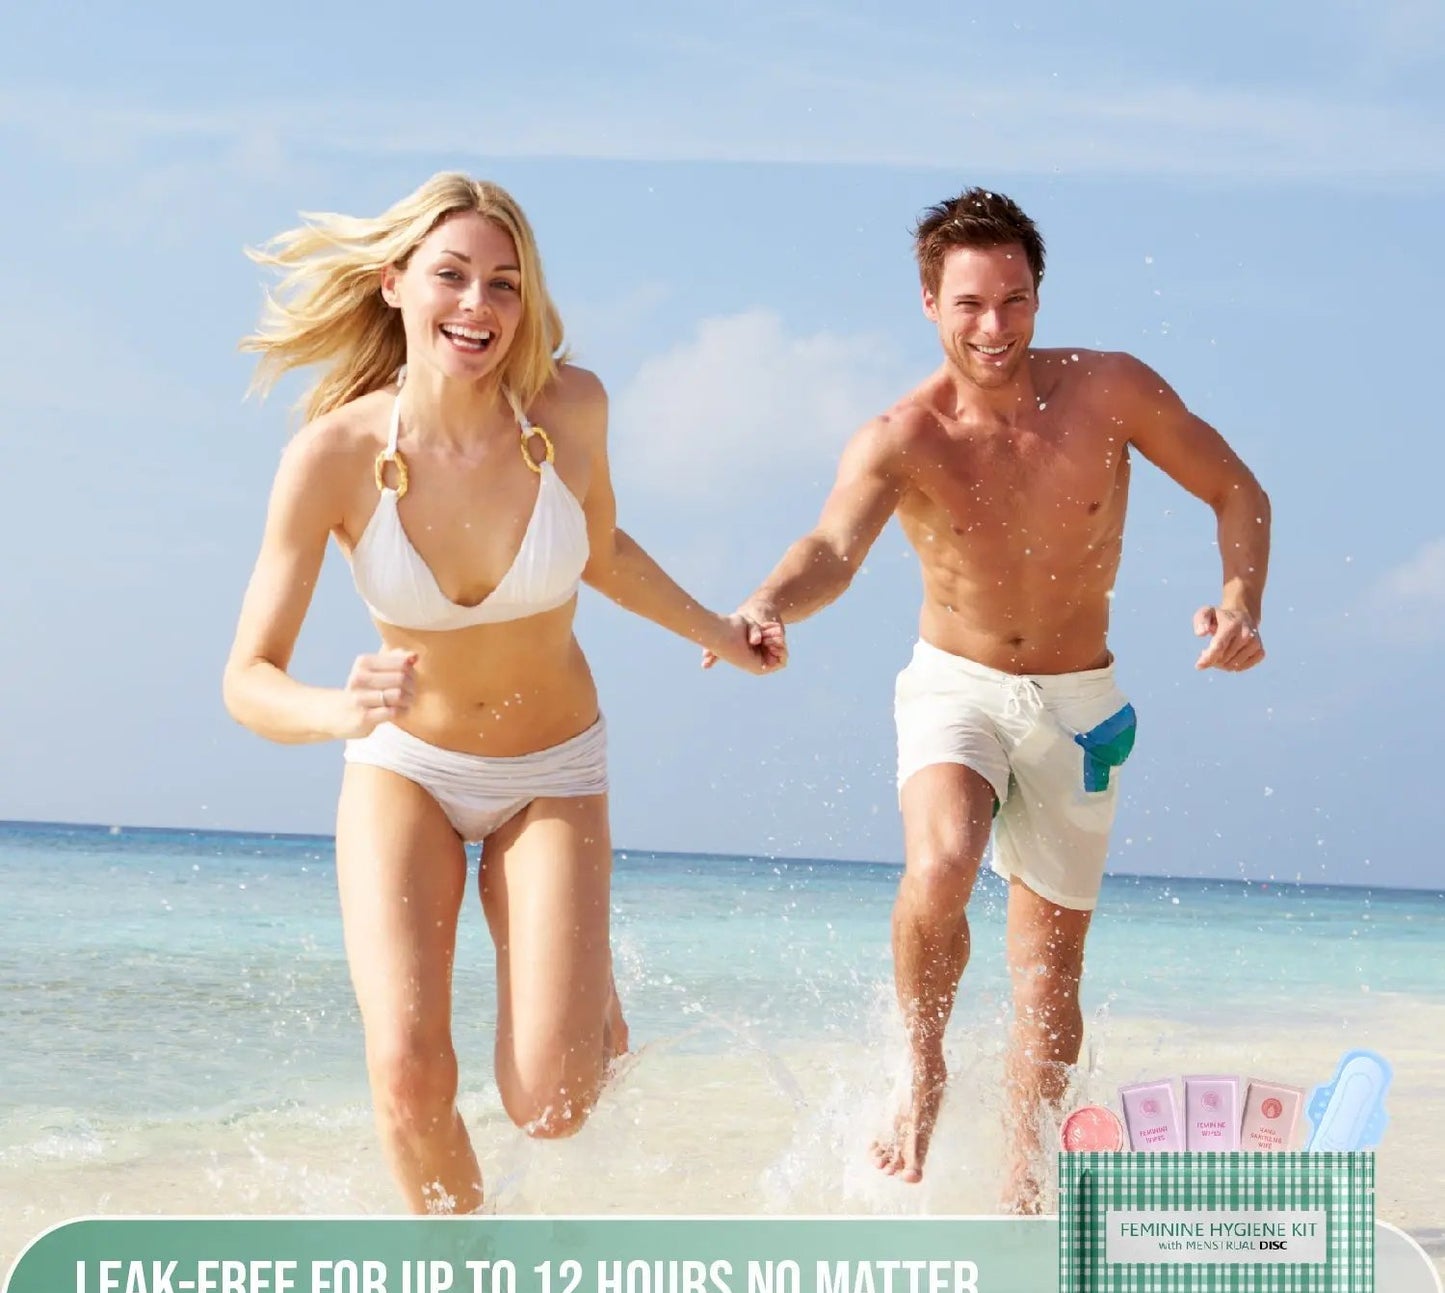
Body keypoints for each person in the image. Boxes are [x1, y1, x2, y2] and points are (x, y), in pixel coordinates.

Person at [224, 172, 785, 1214]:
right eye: (451, 276)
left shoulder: (570, 410)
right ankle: (464, 1289)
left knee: (553, 1104)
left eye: (504, 284)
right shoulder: (333, 458)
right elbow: (246, 677)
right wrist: (334, 710)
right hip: (406, 769)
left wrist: (720, 631)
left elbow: (601, 546)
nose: (477, 306)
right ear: (394, 283)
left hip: (551, 767)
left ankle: (585, 1016)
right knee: (406, 1071)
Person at [717, 188, 1270, 1210]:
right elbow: (832, 548)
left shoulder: (1109, 391)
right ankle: (920, 1065)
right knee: (941, 862)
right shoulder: (900, 436)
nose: (993, 327)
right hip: (955, 686)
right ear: (927, 302)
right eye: (968, 303)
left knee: (1046, 982)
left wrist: (1238, 599)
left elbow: (1236, 487)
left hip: (1079, 700)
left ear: (1035, 296)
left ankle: (1020, 1193)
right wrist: (766, 600)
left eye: (1013, 301)